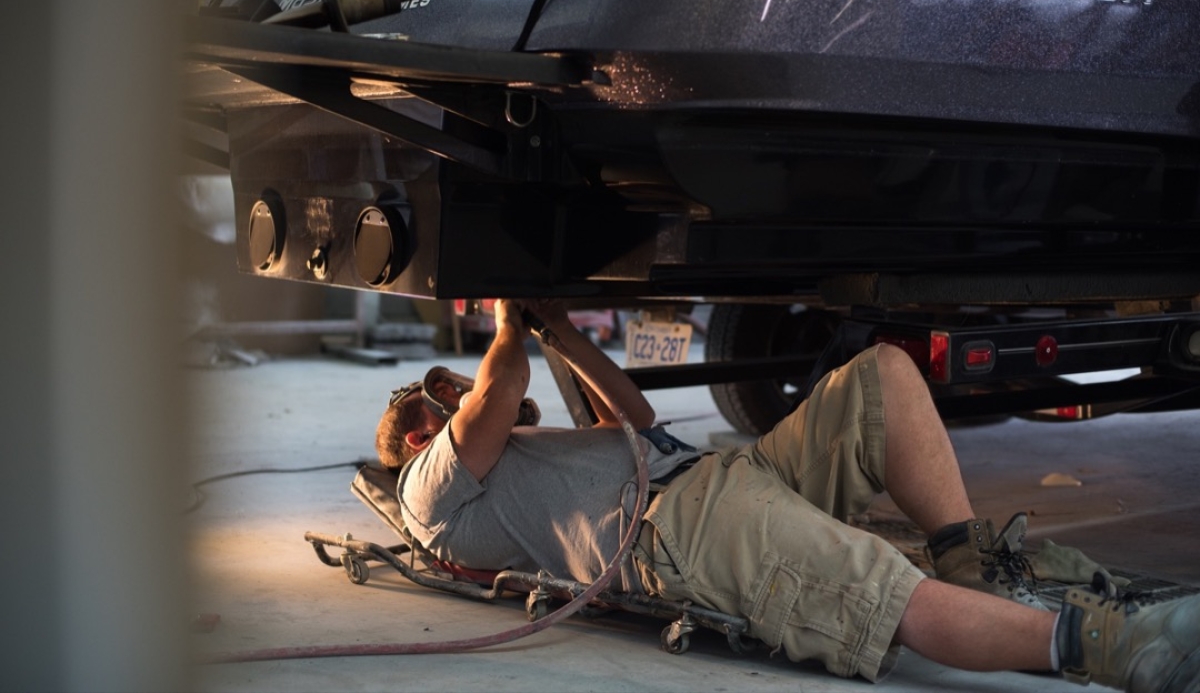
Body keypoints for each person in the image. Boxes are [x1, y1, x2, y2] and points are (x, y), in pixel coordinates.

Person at [377, 299, 1200, 691]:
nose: (456, 398)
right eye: (437, 400)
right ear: (419, 434)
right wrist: (507, 326)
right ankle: (1115, 647)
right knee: (874, 583)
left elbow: (635, 416)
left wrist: (555, 326)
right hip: (679, 531)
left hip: (721, 477)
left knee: (882, 376)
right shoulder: (428, 491)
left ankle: (967, 560)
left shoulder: (520, 452)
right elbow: (499, 385)